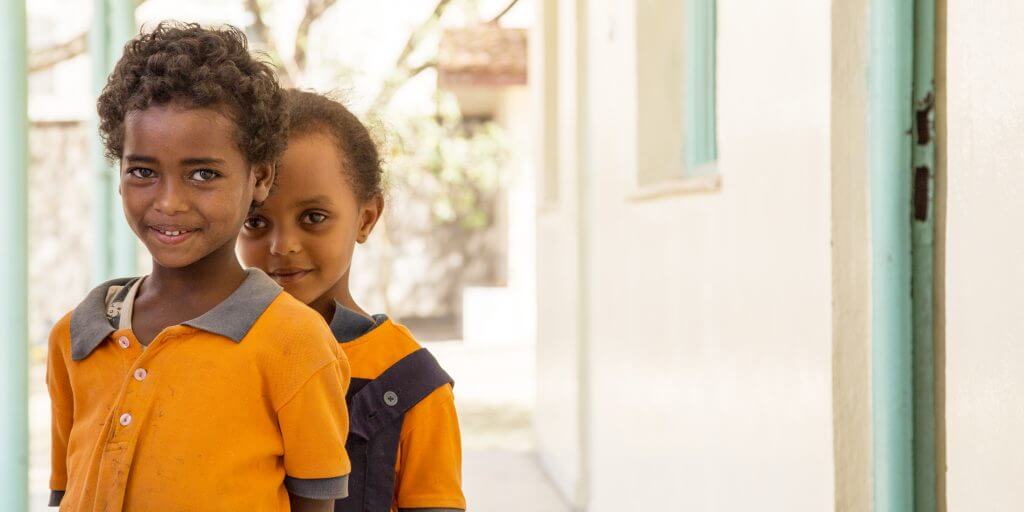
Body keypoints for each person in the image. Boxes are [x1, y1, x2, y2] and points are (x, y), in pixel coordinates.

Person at [47, 23, 350, 512]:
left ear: (260, 177)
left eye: (203, 173)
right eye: (142, 171)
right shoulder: (79, 335)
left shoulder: (294, 343)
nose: (169, 201)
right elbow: (66, 493)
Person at [238, 89, 466, 512]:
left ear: (366, 217)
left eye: (313, 218)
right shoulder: (214, 352)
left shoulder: (413, 384)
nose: (283, 245)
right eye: (255, 220)